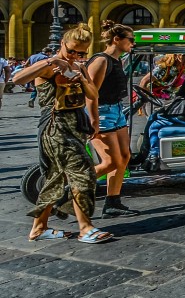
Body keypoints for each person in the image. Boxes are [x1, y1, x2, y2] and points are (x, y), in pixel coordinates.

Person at [14, 24, 113, 244]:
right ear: (62, 44)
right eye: (72, 51)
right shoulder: (49, 67)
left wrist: (81, 77)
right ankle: (85, 228)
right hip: (55, 127)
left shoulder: (79, 66)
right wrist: (51, 61)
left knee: (54, 179)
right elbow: (17, 80)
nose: (76, 56)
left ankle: (39, 228)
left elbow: (93, 94)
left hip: (75, 126)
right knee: (83, 174)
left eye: (82, 53)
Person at [86, 21, 139, 218]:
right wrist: (94, 120)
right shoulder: (101, 60)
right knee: (110, 162)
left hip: (116, 111)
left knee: (124, 157)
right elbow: (91, 94)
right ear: (116, 40)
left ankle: (113, 202)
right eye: (130, 40)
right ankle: (73, 185)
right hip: (103, 112)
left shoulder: (117, 60)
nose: (132, 43)